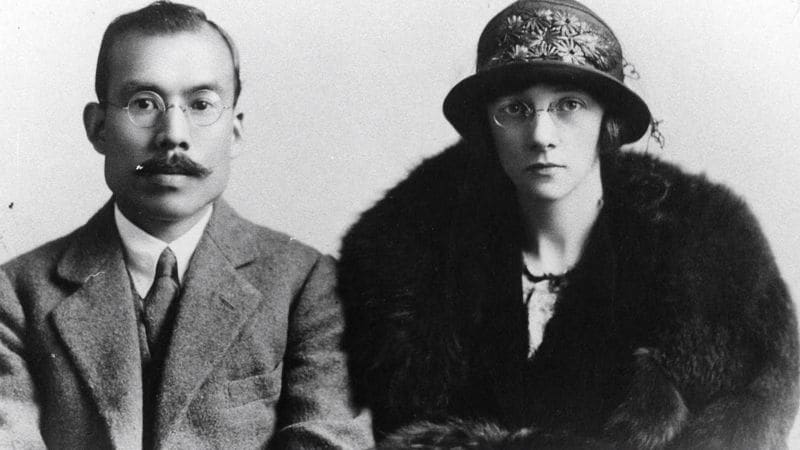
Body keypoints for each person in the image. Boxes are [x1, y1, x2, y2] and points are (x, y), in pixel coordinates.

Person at [337, 0, 799, 448]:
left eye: (569, 105)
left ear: (607, 122)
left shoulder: (711, 268)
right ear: (487, 128)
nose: (541, 136)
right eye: (514, 109)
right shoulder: (400, 270)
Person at [0, 2, 372, 448]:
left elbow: (329, 438)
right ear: (98, 128)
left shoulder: (305, 284)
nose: (173, 133)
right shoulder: (16, 294)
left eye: (200, 104)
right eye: (144, 103)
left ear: (234, 131)